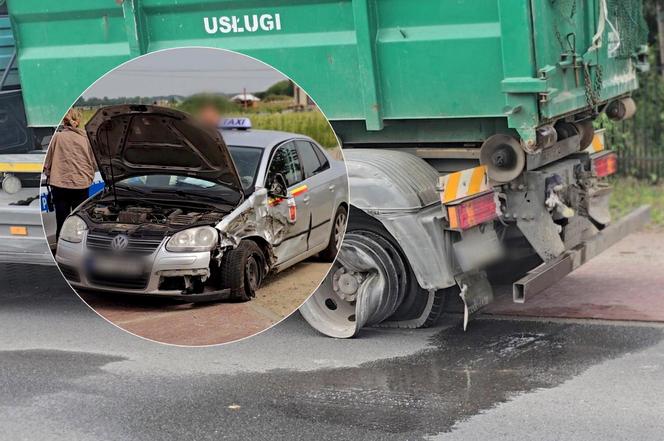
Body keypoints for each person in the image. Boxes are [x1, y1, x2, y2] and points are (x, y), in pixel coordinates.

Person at [43, 108, 97, 239]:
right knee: (80, 224)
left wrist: (51, 173)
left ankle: (60, 253)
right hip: (81, 186)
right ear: (78, 121)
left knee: (61, 223)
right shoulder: (86, 139)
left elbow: (47, 163)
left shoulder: (56, 137)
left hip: (59, 186)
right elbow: (94, 163)